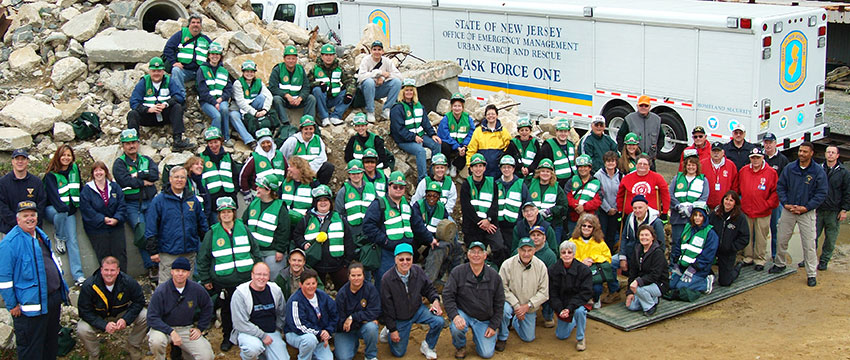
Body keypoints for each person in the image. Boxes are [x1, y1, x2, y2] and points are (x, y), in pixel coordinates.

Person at [0, 200, 69, 359]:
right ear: (18, 219)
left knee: (50, 344)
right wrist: (12, 304)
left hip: (51, 300)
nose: (30, 218)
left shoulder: (40, 235)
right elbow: (4, 279)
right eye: (25, 216)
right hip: (29, 308)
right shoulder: (9, 243)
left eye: (32, 215)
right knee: (31, 350)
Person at [196, 197, 262, 351]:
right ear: (219, 215)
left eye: (229, 212)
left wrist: (258, 270)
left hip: (245, 279)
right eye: (223, 212)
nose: (226, 215)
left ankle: (249, 335)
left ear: (234, 213)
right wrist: (206, 279)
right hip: (224, 282)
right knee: (227, 311)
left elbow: (255, 250)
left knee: (249, 309)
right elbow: (203, 258)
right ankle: (228, 337)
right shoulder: (212, 233)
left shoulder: (244, 228)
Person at [362, 171, 433, 293]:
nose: (398, 189)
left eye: (401, 187)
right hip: (387, 252)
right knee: (385, 284)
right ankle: (382, 310)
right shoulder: (379, 203)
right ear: (389, 186)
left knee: (404, 285)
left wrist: (430, 239)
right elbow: (368, 226)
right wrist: (384, 240)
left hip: (405, 253)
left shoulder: (407, 205)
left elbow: (417, 224)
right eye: (395, 186)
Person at [771, 142, 828, 287]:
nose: (801, 154)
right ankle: (779, 263)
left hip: (806, 213)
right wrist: (785, 203)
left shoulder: (818, 171)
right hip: (788, 210)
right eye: (800, 151)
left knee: (809, 244)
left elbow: (821, 193)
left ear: (811, 153)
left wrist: (806, 207)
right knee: (782, 239)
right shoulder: (790, 168)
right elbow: (781, 187)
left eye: (805, 152)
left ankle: (811, 274)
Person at [146, 166, 210, 284]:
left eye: (182, 177)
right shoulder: (159, 200)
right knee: (166, 286)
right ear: (170, 179)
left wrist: (207, 243)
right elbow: (151, 226)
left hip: (189, 251)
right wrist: (153, 251)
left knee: (188, 285)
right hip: (168, 252)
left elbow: (201, 223)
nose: (179, 180)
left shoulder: (192, 199)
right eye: (176, 177)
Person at [380, 243, 443, 359]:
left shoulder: (417, 271)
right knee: (398, 353)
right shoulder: (387, 279)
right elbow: (387, 308)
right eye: (401, 259)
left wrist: (435, 300)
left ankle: (428, 346)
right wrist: (393, 329)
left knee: (439, 321)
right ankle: (388, 330)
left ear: (412, 259)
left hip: (417, 310)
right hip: (399, 317)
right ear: (395, 260)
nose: (405, 262)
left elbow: (429, 288)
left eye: (408, 259)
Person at [76, 257, 147, 360]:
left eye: (112, 270)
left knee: (145, 316)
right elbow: (84, 311)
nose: (109, 274)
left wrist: (126, 319)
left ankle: (133, 346)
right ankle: (95, 354)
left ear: (118, 271)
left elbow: (139, 301)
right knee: (82, 328)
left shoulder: (128, 282)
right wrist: (103, 325)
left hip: (120, 314)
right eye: (106, 270)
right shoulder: (89, 285)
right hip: (99, 317)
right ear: (101, 270)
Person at [113, 129, 160, 282]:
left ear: (138, 143)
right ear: (123, 146)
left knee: (155, 231)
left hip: (151, 200)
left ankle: (160, 263)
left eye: (133, 142)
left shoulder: (146, 159)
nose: (131, 146)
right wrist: (143, 181)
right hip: (132, 204)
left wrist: (138, 175)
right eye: (128, 143)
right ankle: (151, 266)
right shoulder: (119, 163)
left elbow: (154, 175)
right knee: (141, 234)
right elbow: (124, 181)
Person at [444, 241, 504, 359]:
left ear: (485, 255)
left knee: (486, 354)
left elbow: (499, 303)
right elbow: (447, 295)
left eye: (479, 252)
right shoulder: (458, 272)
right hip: (464, 313)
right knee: (456, 328)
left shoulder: (494, 276)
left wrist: (493, 325)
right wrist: (455, 316)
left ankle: (480, 337)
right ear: (468, 254)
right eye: (473, 252)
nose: (476, 255)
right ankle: (460, 346)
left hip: (484, 318)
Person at [147, 257, 214, 360]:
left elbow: (208, 306)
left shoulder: (196, 289)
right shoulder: (161, 291)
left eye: (184, 271)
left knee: (207, 356)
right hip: (163, 328)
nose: (180, 274)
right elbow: (152, 317)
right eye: (177, 271)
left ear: (188, 273)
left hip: (186, 328)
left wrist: (200, 328)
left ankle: (186, 354)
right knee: (157, 341)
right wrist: (171, 332)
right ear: (172, 272)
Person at [293, 185, 355, 289]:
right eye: (320, 200)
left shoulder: (339, 218)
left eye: (326, 200)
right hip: (315, 265)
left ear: (330, 203)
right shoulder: (307, 219)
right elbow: (297, 235)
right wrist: (303, 244)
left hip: (338, 265)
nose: (323, 203)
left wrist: (347, 262)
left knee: (345, 291)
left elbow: (348, 240)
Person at [127, 57, 193, 151]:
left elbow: (179, 96)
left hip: (165, 114)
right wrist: (148, 109)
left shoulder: (169, 81)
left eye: (159, 71)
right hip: (148, 116)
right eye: (154, 71)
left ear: (163, 71)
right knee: (132, 114)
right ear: (150, 71)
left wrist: (166, 104)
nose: (156, 74)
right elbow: (134, 102)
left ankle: (178, 141)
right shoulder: (143, 83)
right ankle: (133, 142)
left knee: (177, 107)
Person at [42, 144, 85, 285]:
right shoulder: (51, 175)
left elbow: (80, 188)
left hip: (69, 211)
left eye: (68, 155)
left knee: (73, 241)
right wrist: (66, 209)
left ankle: (78, 276)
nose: (66, 158)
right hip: (52, 210)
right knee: (60, 213)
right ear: (58, 157)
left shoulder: (74, 170)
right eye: (63, 155)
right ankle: (59, 236)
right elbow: (54, 198)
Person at [229, 262, 289, 360]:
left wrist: (278, 330)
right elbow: (240, 323)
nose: (261, 277)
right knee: (253, 348)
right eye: (258, 274)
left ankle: (264, 354)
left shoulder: (275, 290)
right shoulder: (240, 293)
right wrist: (262, 335)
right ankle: (247, 357)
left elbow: (281, 314)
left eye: (265, 275)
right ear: (252, 275)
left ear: (269, 276)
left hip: (271, 332)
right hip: (248, 333)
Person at [498, 237, 550, 347]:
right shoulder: (507, 265)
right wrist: (517, 306)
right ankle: (502, 337)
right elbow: (502, 288)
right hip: (510, 304)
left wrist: (528, 305)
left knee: (528, 338)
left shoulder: (541, 266)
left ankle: (515, 321)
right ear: (518, 250)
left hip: (529, 307)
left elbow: (544, 293)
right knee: (504, 311)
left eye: (529, 250)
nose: (526, 254)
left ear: (534, 250)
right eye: (523, 250)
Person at [732, 147, 778, 271]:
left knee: (761, 236)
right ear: (750, 158)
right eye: (753, 158)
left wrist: (767, 205)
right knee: (747, 235)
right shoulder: (743, 171)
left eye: (758, 158)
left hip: (763, 212)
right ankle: (748, 257)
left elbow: (775, 192)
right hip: (746, 210)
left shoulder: (771, 172)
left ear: (763, 157)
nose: (755, 160)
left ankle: (760, 259)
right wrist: (739, 203)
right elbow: (736, 188)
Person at [80, 161, 128, 272]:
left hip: (116, 227)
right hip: (97, 230)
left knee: (120, 255)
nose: (99, 173)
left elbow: (122, 205)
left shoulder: (114, 187)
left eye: (101, 170)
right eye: (96, 171)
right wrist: (103, 219)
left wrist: (116, 218)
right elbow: (87, 210)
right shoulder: (87, 190)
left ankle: (123, 281)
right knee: (104, 257)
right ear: (92, 173)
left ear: (105, 172)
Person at [390, 78, 442, 182]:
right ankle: (422, 179)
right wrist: (413, 137)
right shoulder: (397, 108)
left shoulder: (419, 106)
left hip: (420, 136)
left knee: (436, 144)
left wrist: (432, 134)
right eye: (406, 90)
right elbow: (399, 130)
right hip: (405, 140)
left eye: (411, 90)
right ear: (402, 92)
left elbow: (425, 122)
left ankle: (434, 174)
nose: (409, 92)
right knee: (420, 151)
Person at [461, 154, 506, 265]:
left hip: (489, 223)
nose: (478, 169)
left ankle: (496, 271)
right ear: (471, 168)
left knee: (499, 246)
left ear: (484, 168)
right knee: (475, 252)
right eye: (475, 166)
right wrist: (480, 222)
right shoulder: (466, 184)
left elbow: (494, 205)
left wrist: (488, 220)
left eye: (480, 166)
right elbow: (467, 208)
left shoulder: (492, 183)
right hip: (472, 226)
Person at [412, 180, 459, 285]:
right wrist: (430, 239)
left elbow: (446, 225)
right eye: (429, 195)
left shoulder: (442, 209)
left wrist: (437, 239)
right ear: (425, 196)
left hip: (434, 240)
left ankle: (435, 278)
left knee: (447, 247)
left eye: (435, 195)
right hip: (418, 237)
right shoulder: (417, 206)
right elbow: (417, 226)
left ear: (439, 197)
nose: (432, 198)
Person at [668, 202, 718, 301]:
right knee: (671, 285)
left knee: (680, 287)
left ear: (705, 217)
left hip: (698, 269)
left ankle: (706, 283)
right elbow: (679, 245)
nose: (697, 218)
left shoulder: (710, 233)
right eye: (695, 215)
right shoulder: (688, 228)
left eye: (700, 215)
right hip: (683, 266)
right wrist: (676, 264)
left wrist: (693, 269)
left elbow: (707, 256)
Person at [244, 174, 291, 278]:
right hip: (254, 251)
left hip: (272, 253)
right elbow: (244, 223)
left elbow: (284, 230)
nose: (257, 189)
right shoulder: (254, 203)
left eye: (260, 187)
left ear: (268, 190)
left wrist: (280, 250)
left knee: (274, 280)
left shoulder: (280, 207)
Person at [548, 241, 592, 351]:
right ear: (560, 254)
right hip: (562, 305)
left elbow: (585, 293)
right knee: (561, 335)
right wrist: (560, 309)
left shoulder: (584, 270)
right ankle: (573, 321)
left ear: (574, 254)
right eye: (563, 252)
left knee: (580, 311)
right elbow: (552, 293)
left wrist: (570, 307)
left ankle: (580, 338)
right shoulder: (553, 270)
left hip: (577, 304)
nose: (566, 255)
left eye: (569, 252)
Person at [284, 268, 336, 360]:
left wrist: (328, 331)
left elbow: (334, 314)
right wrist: (320, 333)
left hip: (319, 335)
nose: (311, 287)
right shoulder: (295, 301)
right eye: (307, 284)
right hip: (296, 334)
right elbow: (298, 326)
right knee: (310, 340)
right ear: (301, 285)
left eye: (313, 283)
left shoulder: (322, 296)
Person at [812, 145, 850, 271]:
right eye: (828, 152)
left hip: (834, 211)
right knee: (812, 236)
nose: (830, 155)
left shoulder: (843, 172)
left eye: (833, 153)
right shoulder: (818, 169)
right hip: (818, 209)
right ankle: (809, 258)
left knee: (830, 238)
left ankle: (824, 261)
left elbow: (847, 192)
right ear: (825, 154)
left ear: (837, 155)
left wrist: (844, 210)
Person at [569, 213, 619, 307]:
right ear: (579, 227)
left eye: (589, 226)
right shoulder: (572, 241)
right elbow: (568, 257)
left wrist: (593, 259)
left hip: (595, 272)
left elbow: (608, 257)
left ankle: (596, 299)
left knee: (597, 289)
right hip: (578, 272)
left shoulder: (600, 242)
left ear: (594, 228)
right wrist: (582, 261)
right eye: (584, 225)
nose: (586, 228)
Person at [334, 263, 381, 360]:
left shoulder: (370, 289)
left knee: (372, 327)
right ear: (349, 277)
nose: (356, 278)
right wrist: (364, 319)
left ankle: (370, 356)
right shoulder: (342, 294)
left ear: (364, 275)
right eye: (353, 275)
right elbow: (340, 320)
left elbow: (375, 311)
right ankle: (352, 344)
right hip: (345, 331)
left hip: (362, 327)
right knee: (343, 357)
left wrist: (353, 317)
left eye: (359, 275)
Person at [196, 42, 239, 146]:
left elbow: (228, 89)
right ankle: (213, 138)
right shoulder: (202, 69)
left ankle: (226, 138)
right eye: (212, 54)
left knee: (224, 109)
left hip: (221, 99)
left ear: (220, 56)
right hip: (207, 101)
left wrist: (221, 99)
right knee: (216, 115)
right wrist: (214, 102)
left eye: (217, 54)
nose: (215, 56)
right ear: (208, 55)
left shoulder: (223, 70)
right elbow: (202, 90)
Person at [270, 45, 317, 137]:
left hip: (297, 100)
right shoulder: (277, 70)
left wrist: (301, 98)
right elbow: (273, 87)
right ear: (284, 59)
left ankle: (308, 122)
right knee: (276, 99)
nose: (291, 61)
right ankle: (285, 124)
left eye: (293, 58)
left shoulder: (300, 69)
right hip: (285, 100)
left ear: (296, 59)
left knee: (311, 98)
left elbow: (306, 87)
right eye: (288, 58)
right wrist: (286, 95)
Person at [0, 148, 47, 235]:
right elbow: (2, 208)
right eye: (17, 159)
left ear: (27, 161)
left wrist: (29, 223)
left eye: (23, 159)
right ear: (12, 161)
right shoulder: (3, 183)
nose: (20, 162)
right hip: (10, 230)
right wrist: (19, 223)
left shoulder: (36, 182)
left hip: (32, 229)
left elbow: (41, 205)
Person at [669, 149, 709, 248]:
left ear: (697, 166)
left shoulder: (703, 180)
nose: (691, 167)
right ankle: (675, 262)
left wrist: (692, 208)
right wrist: (678, 206)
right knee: (677, 242)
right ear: (685, 166)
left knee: (691, 243)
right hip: (678, 218)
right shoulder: (677, 178)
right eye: (689, 165)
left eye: (693, 165)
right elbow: (670, 194)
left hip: (694, 218)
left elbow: (704, 197)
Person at [624, 225, 667, 316]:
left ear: (653, 237)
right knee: (632, 306)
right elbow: (633, 272)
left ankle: (650, 306)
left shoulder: (658, 252)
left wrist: (638, 282)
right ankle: (651, 298)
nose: (644, 237)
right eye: (641, 235)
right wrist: (630, 292)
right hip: (643, 284)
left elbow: (655, 275)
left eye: (647, 235)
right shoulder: (637, 250)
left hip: (658, 284)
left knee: (638, 288)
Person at [161, 14, 210, 94]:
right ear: (189, 24)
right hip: (184, 70)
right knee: (176, 71)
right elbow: (168, 48)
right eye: (193, 22)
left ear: (201, 26)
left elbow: (214, 53)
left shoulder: (205, 39)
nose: (196, 25)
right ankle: (180, 96)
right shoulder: (181, 34)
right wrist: (174, 62)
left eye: (198, 23)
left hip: (200, 71)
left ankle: (203, 98)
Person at [280, 115, 335, 185]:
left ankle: (319, 188)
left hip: (313, 171)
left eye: (311, 129)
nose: (308, 131)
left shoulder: (317, 140)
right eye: (306, 129)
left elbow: (322, 158)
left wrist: (309, 169)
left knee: (328, 167)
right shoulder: (292, 140)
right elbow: (283, 156)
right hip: (296, 171)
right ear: (301, 129)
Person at [709, 191, 749, 286]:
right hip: (714, 250)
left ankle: (737, 268)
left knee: (725, 282)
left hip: (727, 252)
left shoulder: (740, 217)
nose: (728, 202)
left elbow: (745, 237)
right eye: (726, 199)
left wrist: (732, 247)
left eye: (731, 200)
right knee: (703, 270)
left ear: (735, 203)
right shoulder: (715, 214)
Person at [618, 195, 665, 275]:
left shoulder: (656, 222)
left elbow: (661, 244)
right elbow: (624, 237)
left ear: (646, 207)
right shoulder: (630, 218)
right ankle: (615, 287)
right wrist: (622, 257)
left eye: (640, 208)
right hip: (629, 253)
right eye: (635, 208)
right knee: (611, 263)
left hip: (647, 257)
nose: (637, 211)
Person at [357, 40, 403, 122]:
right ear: (371, 51)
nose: (377, 52)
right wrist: (378, 73)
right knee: (369, 82)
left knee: (397, 82)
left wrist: (383, 78)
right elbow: (360, 77)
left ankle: (387, 109)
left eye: (379, 49)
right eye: (374, 49)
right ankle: (370, 111)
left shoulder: (387, 61)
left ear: (382, 51)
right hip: (367, 89)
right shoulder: (366, 60)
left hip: (380, 89)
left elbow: (399, 76)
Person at [526, 158, 569, 244]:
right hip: (532, 224)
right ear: (538, 172)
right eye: (543, 171)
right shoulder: (530, 184)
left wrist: (550, 211)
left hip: (552, 224)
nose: (545, 173)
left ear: (552, 174)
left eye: (548, 171)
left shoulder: (557, 188)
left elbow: (564, 206)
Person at [310, 43, 354, 126]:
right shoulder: (315, 69)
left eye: (331, 55)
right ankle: (324, 117)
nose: (328, 57)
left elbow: (349, 81)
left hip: (334, 98)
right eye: (326, 55)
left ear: (334, 56)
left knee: (351, 91)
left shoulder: (339, 68)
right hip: (321, 99)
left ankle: (335, 116)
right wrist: (318, 84)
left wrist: (349, 93)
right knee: (317, 90)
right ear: (322, 56)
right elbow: (308, 84)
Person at [199, 126, 239, 217]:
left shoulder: (227, 156)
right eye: (210, 143)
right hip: (213, 200)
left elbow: (235, 175)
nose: (214, 145)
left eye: (216, 142)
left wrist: (235, 190)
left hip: (230, 197)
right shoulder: (202, 158)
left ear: (221, 141)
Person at [615, 95, 664, 169]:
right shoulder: (629, 119)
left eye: (646, 105)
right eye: (641, 105)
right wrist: (624, 153)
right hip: (633, 161)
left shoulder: (656, 120)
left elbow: (661, 137)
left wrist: (656, 153)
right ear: (637, 106)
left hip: (649, 160)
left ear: (649, 107)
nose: (643, 107)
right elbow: (620, 137)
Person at [230, 60, 272, 145]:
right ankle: (249, 140)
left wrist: (265, 110)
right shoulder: (238, 83)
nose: (249, 74)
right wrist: (254, 112)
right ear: (243, 72)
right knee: (233, 116)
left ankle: (258, 128)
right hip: (239, 108)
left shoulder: (259, 82)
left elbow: (269, 96)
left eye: (252, 71)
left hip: (252, 106)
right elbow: (240, 102)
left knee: (262, 97)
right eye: (247, 71)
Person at [466, 105, 512, 178]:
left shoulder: (503, 131)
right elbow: (471, 150)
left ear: (497, 115)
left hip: (498, 171)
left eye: (493, 114)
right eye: (488, 114)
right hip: (481, 170)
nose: (491, 116)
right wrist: (469, 165)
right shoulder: (478, 131)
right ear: (485, 116)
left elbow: (510, 148)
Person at [336, 160, 377, 241]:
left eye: (358, 173)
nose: (356, 176)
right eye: (353, 174)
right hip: (352, 231)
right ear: (349, 174)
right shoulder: (343, 191)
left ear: (362, 173)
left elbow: (377, 207)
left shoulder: (371, 188)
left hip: (369, 229)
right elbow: (338, 213)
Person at [239, 128, 287, 196]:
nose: (266, 145)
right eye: (263, 143)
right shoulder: (254, 158)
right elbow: (244, 176)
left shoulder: (280, 155)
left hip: (278, 193)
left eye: (268, 142)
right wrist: (246, 193)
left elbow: (287, 173)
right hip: (260, 195)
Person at [763, 132, 788, 258]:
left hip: (776, 201)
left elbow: (786, 181)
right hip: (761, 199)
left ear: (775, 143)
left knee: (776, 228)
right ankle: (759, 254)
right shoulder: (760, 157)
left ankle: (775, 255)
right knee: (760, 229)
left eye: (770, 142)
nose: (768, 145)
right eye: (766, 142)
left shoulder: (782, 160)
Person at [495, 155, 529, 249]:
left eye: (509, 167)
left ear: (513, 169)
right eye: (504, 167)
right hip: (499, 225)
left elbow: (527, 204)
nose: (506, 169)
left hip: (515, 225)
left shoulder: (521, 184)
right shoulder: (496, 184)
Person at [437, 93, 475, 175]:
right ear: (451, 107)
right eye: (455, 106)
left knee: (470, 149)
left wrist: (464, 146)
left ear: (462, 107)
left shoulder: (467, 118)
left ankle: (455, 165)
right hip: (450, 144)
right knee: (443, 145)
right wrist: (457, 147)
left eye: (459, 106)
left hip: (462, 144)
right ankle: (447, 164)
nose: (457, 108)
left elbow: (471, 133)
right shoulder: (446, 118)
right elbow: (444, 135)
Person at [534, 118, 576, 188]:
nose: (563, 134)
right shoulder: (548, 146)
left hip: (571, 181)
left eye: (565, 131)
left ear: (568, 132)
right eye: (560, 131)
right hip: (557, 182)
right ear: (556, 132)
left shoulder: (571, 145)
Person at [595, 151, 622, 254]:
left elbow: (621, 193)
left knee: (612, 235)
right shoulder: (598, 175)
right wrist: (607, 208)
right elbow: (598, 193)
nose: (610, 163)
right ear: (604, 162)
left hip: (616, 211)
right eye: (608, 161)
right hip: (603, 211)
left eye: (613, 161)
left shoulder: (621, 175)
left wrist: (615, 208)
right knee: (602, 234)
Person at [567, 154, 602, 233]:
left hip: (591, 220)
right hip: (574, 219)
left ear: (590, 168)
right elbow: (568, 197)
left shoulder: (596, 182)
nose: (582, 169)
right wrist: (577, 207)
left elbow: (598, 200)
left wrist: (584, 207)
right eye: (580, 167)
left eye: (585, 166)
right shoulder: (571, 181)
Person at [280, 156, 319, 224]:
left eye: (291, 166)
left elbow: (317, 203)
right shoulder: (285, 182)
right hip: (285, 220)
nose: (288, 169)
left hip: (303, 221)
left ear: (300, 169)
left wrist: (309, 213)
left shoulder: (313, 184)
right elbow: (278, 199)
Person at [701, 142, 738, 209]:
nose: (716, 153)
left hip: (725, 207)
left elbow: (735, 186)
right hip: (706, 206)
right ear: (710, 152)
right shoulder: (702, 164)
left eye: (718, 151)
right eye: (714, 151)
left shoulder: (731, 165)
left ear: (723, 152)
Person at [184, 156, 214, 224]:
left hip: (202, 217)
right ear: (190, 167)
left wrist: (205, 217)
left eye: (201, 164)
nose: (200, 166)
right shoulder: (185, 181)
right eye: (197, 164)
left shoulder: (202, 182)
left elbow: (207, 200)